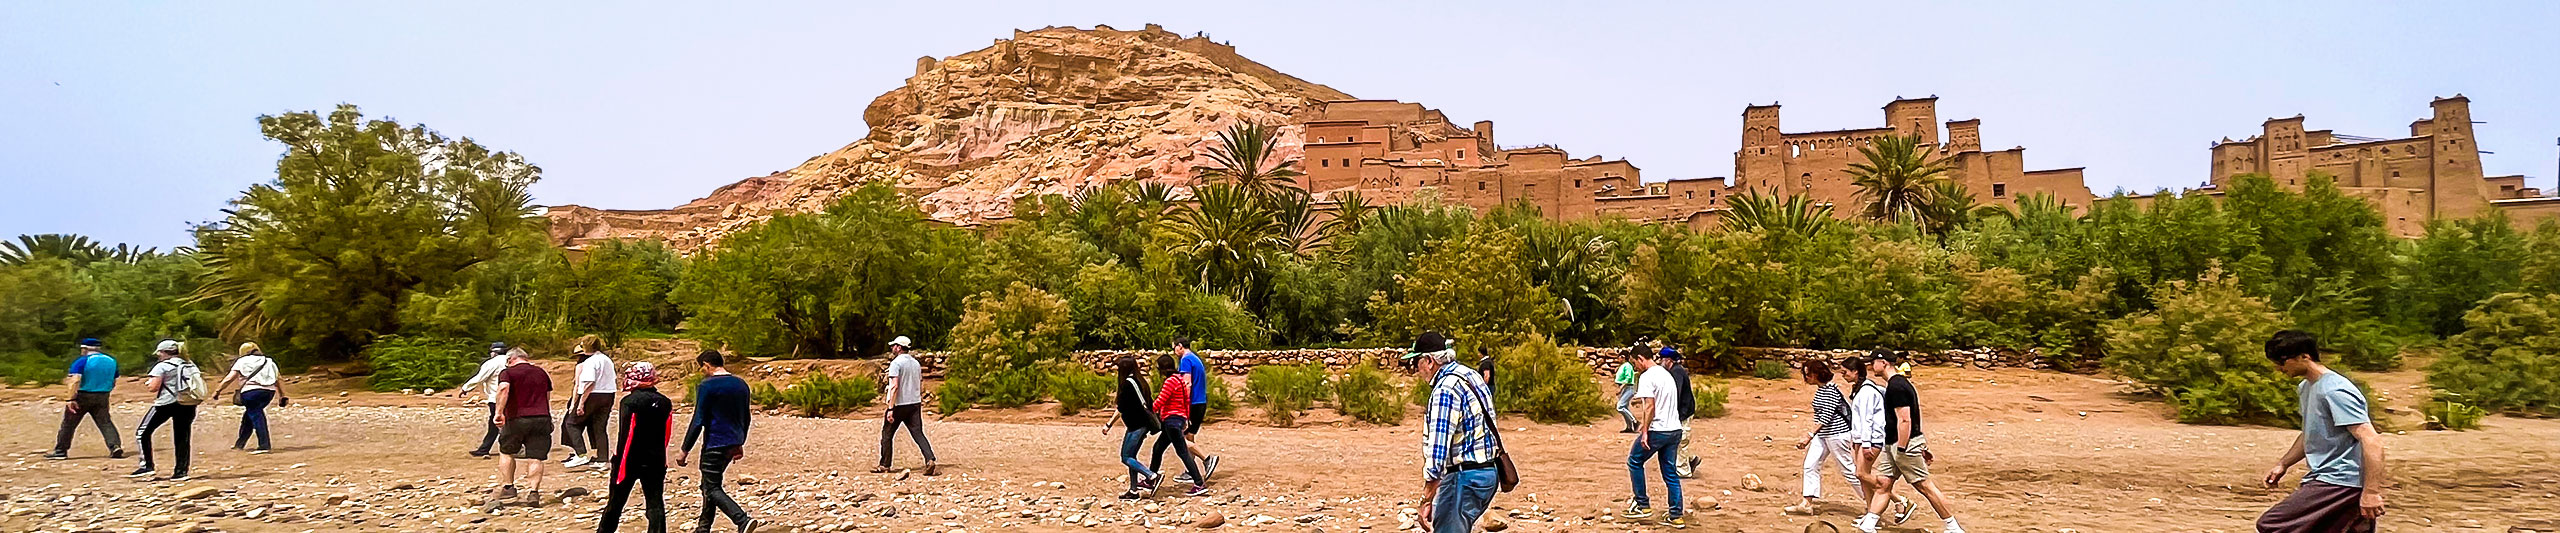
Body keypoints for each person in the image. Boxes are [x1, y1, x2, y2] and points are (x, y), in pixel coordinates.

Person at [2256, 330, 2386, 532]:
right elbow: (2311, 433)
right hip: (2331, 478)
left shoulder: (2335, 390)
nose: (2278, 368)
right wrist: (2283, 464)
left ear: (2304, 357)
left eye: (2282, 362)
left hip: (2340, 480)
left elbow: (2371, 440)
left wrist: (2371, 492)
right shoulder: (2306, 387)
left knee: (2273, 524)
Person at [1856, 351, 1965, 533]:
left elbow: (1905, 419)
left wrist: (1902, 448)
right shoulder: (1895, 384)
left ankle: (1953, 527)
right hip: (1893, 443)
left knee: (1924, 485)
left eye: (1873, 362)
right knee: (1883, 484)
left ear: (1883, 363)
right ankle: (1869, 524)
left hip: (1901, 444)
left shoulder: (1897, 387)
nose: (1870, 366)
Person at [1408, 332, 1500, 533]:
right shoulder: (1470, 375)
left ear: (1429, 361)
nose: (1416, 369)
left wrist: (1426, 498)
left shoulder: (1445, 389)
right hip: (1488, 473)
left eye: (1416, 362)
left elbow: (1438, 450)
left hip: (1464, 477)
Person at [678, 350, 766, 533]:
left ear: (707, 365)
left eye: (702, 367)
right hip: (733, 441)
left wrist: (685, 449)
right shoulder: (741, 384)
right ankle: (703, 528)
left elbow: (698, 419)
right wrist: (740, 441)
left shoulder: (707, 386)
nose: (702, 371)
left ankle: (742, 520)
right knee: (709, 484)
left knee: (711, 487)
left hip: (715, 442)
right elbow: (745, 417)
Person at [599, 362, 673, 533]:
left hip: (630, 458)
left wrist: (619, 461)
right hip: (656, 458)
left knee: (616, 502)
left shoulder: (629, 402)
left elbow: (626, 433)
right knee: (655, 503)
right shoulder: (665, 402)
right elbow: (666, 433)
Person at [1620, 346, 1686, 529]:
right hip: (1674, 429)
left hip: (1658, 429)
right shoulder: (1666, 374)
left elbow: (1650, 406)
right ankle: (1676, 515)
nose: (1635, 367)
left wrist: (1645, 431)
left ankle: (1642, 504)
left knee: (1634, 461)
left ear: (1641, 358)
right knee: (1671, 473)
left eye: (1634, 362)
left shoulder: (1647, 377)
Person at [1786, 359, 1862, 515]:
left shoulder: (1830, 390)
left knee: (1848, 469)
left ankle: (1872, 502)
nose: (1806, 378)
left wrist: (1809, 435)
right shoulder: (1822, 389)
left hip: (1837, 434)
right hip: (1824, 435)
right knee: (1810, 465)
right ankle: (1807, 503)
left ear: (1815, 374)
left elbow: (1826, 416)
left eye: (1807, 374)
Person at [1845, 354, 1913, 523]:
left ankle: (1899, 500)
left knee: (1861, 474)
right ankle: (1871, 512)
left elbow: (1867, 419)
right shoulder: (1861, 389)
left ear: (1855, 372)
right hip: (1862, 438)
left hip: (1871, 439)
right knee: (1863, 477)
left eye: (1845, 372)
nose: (1843, 375)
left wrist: (1866, 444)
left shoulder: (1867, 391)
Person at [491, 347, 555, 507]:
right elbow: (547, 396)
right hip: (541, 417)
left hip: (517, 418)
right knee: (536, 456)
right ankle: (534, 492)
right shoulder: (541, 372)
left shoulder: (508, 373)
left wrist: (498, 412)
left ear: (510, 359)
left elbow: (504, 389)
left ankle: (508, 487)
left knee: (506, 451)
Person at [132, 339, 204, 481]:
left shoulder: (162, 366)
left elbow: (154, 387)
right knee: (182, 437)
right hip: (187, 403)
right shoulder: (189, 364)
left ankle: (147, 466)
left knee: (143, 432)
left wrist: (148, 383)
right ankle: (181, 472)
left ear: (164, 352)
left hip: (166, 403)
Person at [1154, 336, 1219, 483]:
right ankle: (1191, 470)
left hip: (1193, 402)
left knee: (1181, 438)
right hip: (1200, 401)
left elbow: (1186, 384)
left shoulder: (1186, 360)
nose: (1174, 351)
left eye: (1174, 347)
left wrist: (1183, 406)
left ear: (1180, 346)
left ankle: (1207, 459)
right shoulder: (1195, 358)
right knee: (1189, 435)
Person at [49, 338, 125, 460]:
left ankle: (60, 451)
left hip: (83, 395)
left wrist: (70, 398)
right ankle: (114, 446)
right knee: (105, 422)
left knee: (69, 424)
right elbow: (114, 380)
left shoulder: (82, 361)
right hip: (102, 394)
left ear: (85, 349)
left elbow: (75, 380)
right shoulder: (111, 361)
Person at [1147, 353, 1210, 497]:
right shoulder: (1180, 380)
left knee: (1182, 452)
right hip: (1178, 420)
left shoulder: (1170, 382)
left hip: (1171, 421)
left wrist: (1148, 411)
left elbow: (1161, 400)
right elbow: (1186, 401)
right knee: (1158, 449)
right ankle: (1151, 477)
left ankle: (1199, 483)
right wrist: (1186, 419)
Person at [874, 336, 938, 475]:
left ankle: (884, 465)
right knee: (918, 433)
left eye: (894, 346)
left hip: (899, 404)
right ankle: (930, 459)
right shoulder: (915, 363)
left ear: (898, 347)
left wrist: (890, 408)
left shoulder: (896, 364)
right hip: (914, 403)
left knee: (887, 434)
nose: (892, 348)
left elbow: (894, 386)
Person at [209, 342, 285, 454]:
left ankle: (264, 445)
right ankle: (240, 444)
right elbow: (279, 379)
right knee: (250, 416)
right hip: (268, 393)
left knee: (256, 415)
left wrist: (217, 391)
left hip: (250, 392)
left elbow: (229, 378)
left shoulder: (242, 361)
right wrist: (283, 395)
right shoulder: (269, 361)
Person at [1108, 354, 1162, 499]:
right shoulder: (1141, 381)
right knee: (1132, 456)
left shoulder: (1127, 385)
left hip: (1135, 426)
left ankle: (1151, 476)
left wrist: (1108, 425)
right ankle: (1133, 490)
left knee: (1126, 457)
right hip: (1142, 425)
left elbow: (1121, 408)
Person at [563, 336, 620, 469]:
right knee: (599, 428)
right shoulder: (607, 359)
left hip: (593, 394)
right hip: (608, 394)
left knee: (571, 423)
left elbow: (589, 382)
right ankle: (603, 459)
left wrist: (581, 402)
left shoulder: (591, 361)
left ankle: (581, 454)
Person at [455, 341, 513, 457]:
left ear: (494, 352)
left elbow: (479, 378)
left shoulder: (492, 363)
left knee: (495, 423)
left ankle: (486, 449)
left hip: (496, 398)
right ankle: (487, 448)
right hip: (512, 397)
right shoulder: (512, 361)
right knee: (510, 422)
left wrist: (466, 388)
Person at [1660, 347, 1700, 478]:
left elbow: (1675, 393)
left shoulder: (1676, 372)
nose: (1661, 362)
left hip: (1684, 411)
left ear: (1668, 360)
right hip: (1682, 410)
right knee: (1678, 439)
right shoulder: (1675, 371)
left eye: (1662, 359)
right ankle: (1690, 459)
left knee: (1681, 440)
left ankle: (1683, 472)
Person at [1612, 355, 1640, 434]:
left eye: (1619, 357)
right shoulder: (1623, 366)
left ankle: (1634, 421)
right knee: (1624, 407)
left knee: (1620, 406)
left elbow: (1628, 378)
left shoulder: (1627, 366)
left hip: (1628, 387)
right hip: (1625, 387)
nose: (1618, 359)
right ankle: (1629, 426)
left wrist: (1621, 388)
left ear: (1623, 357)